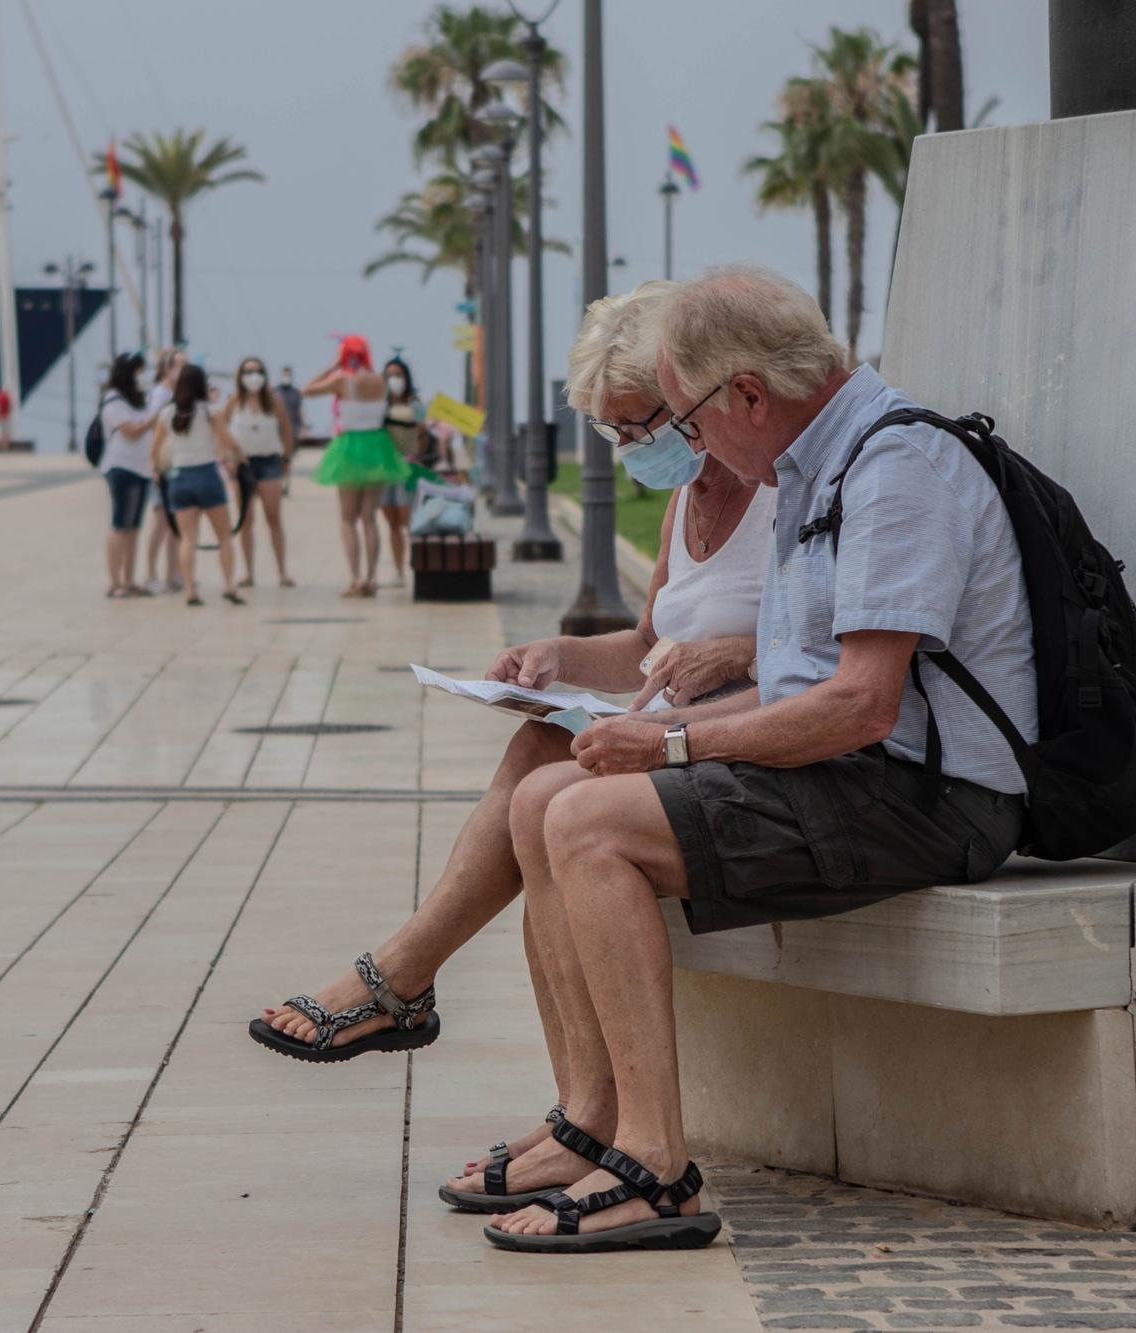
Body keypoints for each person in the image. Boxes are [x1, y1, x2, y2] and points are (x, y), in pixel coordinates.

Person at [471, 263, 1037, 1252]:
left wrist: (674, 740)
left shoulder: (890, 466)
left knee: (583, 819)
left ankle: (653, 1165)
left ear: (744, 393)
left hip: (927, 796)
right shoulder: (818, 464)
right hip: (858, 774)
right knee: (545, 799)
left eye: (686, 423)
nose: (693, 449)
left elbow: (861, 707)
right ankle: (592, 1122)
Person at [250, 281, 775, 1211]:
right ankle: (567, 1103)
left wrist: (737, 652)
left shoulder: (782, 494)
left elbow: (828, 648)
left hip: (742, 741)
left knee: (557, 789)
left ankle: (410, 985)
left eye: (634, 424)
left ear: (686, 390)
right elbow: (646, 643)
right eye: (611, 433)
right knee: (546, 738)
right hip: (680, 731)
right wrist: (560, 655)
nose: (627, 450)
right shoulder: (693, 493)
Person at [307, 334, 410, 597]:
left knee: (347, 519)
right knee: (369, 518)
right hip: (377, 446)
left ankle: (355, 578)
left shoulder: (343, 380)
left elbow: (307, 390)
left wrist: (333, 365)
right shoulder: (379, 380)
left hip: (350, 446)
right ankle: (372, 578)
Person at [158, 362, 246, 606]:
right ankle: (229, 585)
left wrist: (157, 470)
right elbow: (227, 440)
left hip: (179, 476)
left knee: (187, 538)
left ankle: (189, 590)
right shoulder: (209, 411)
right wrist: (240, 456)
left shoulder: (167, 413)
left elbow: (155, 449)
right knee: (225, 536)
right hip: (206, 474)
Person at [98, 351, 172, 599]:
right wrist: (157, 414)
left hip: (141, 469)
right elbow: (133, 431)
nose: (144, 376)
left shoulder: (138, 400)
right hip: (121, 468)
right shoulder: (113, 400)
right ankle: (115, 581)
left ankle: (129, 580)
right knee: (120, 524)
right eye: (139, 371)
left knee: (134, 527)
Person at [223, 355, 297, 588]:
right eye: (247, 372)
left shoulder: (274, 402)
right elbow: (221, 431)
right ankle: (248, 572)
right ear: (240, 376)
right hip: (243, 464)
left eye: (257, 371)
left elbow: (286, 431)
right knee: (246, 520)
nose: (252, 376)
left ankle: (282, 571)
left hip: (269, 462)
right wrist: (227, 459)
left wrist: (286, 459)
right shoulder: (234, 402)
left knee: (273, 518)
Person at [376, 356, 428, 586]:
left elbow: (422, 434)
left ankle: (417, 566)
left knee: (409, 520)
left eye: (398, 375)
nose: (394, 380)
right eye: (389, 375)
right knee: (392, 523)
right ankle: (398, 571)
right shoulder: (380, 404)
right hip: (385, 469)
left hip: (407, 467)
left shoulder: (415, 404)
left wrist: (417, 456)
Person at [143, 349, 183, 594]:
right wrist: (155, 465)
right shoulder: (161, 394)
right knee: (161, 523)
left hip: (177, 461)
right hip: (163, 464)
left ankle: (173, 573)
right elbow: (153, 432)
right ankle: (150, 573)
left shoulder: (179, 394)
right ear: (166, 368)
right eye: (178, 364)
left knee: (175, 523)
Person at [274, 365, 306, 442]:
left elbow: (300, 410)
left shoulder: (296, 392)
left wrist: (303, 427)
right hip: (279, 428)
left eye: (288, 375)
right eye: (284, 375)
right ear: (281, 376)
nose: (286, 377)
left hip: (294, 428)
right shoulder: (275, 392)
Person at [0, 385, 13, 451]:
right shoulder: (6, 396)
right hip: (6, 416)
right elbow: (9, 406)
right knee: (6, 432)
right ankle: (6, 446)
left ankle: (2, 446)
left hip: (0, 416)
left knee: (1, 432)